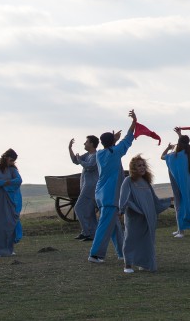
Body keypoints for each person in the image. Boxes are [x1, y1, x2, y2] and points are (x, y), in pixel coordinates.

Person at [88, 109, 138, 264]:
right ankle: (95, 254)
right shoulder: (115, 152)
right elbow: (128, 139)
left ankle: (122, 252)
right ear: (113, 142)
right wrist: (134, 122)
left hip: (101, 193)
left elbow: (112, 147)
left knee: (114, 225)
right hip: (110, 195)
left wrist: (113, 140)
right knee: (104, 225)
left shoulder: (99, 154)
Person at [119, 154, 172, 274]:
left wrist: (168, 200)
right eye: (139, 166)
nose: (142, 167)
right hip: (134, 217)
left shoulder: (146, 182)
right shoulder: (128, 181)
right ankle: (128, 264)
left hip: (148, 218)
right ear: (133, 168)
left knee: (147, 241)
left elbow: (155, 201)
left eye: (143, 165)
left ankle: (144, 263)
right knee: (131, 239)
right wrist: (121, 210)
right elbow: (124, 198)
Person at [160, 127, 190, 238]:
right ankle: (179, 229)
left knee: (179, 206)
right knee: (185, 204)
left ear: (178, 144)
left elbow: (162, 157)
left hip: (179, 185)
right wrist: (180, 134)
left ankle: (181, 231)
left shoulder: (174, 156)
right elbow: (184, 144)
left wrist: (168, 148)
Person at [68, 135, 99, 241]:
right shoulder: (88, 154)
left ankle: (87, 232)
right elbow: (75, 161)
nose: (84, 144)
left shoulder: (95, 155)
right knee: (89, 211)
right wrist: (70, 149)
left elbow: (90, 166)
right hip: (86, 185)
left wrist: (80, 161)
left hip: (90, 186)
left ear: (92, 144)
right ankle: (91, 233)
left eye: (86, 142)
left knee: (78, 208)